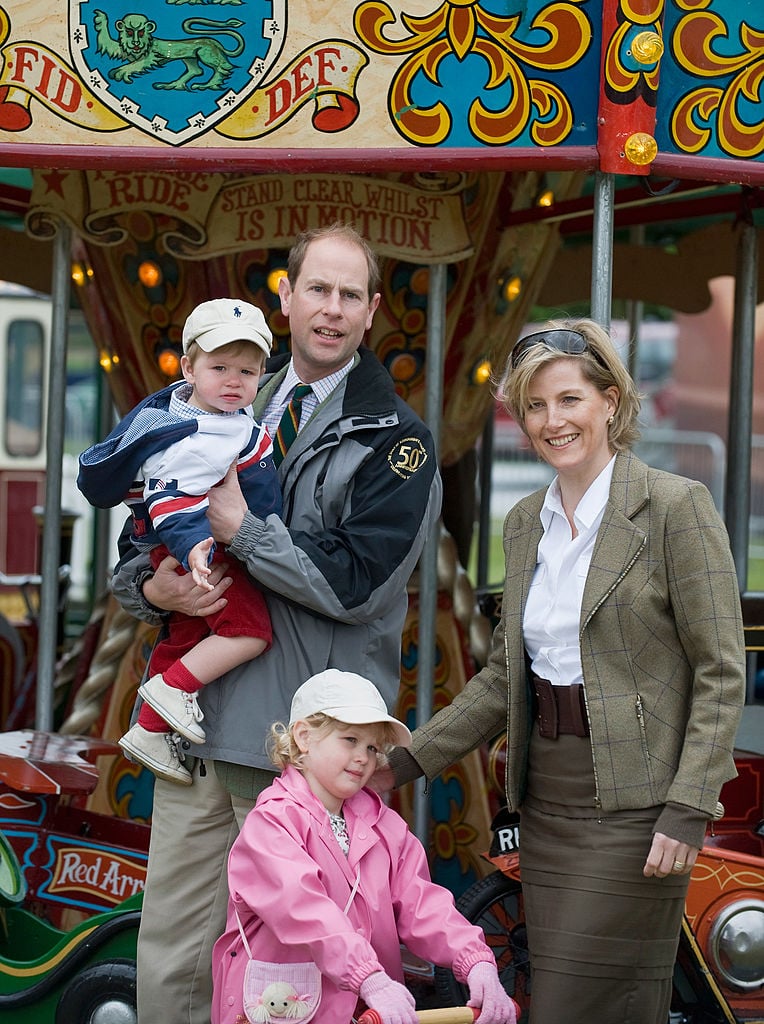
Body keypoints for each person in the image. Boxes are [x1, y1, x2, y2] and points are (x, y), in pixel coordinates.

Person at [110, 223, 443, 1024]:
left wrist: (240, 533)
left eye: (350, 295)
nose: (331, 310)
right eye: (317, 290)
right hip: (199, 730)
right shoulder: (203, 405)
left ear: (371, 315)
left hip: (303, 752)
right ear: (286, 299)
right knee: (172, 958)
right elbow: (134, 543)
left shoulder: (398, 443)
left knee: (293, 977)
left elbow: (358, 584)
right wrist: (154, 590)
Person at [377, 318, 746, 1024]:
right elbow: (501, 679)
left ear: (610, 401)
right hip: (547, 803)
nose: (553, 421)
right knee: (558, 1001)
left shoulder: (673, 507)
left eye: (570, 399)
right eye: (535, 405)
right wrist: (402, 763)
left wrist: (688, 806)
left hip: (638, 808)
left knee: (584, 1005)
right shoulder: (524, 524)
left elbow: (722, 671)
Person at [211, 669, 516, 1024]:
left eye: (372, 747)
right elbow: (303, 908)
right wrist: (368, 976)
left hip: (368, 1008)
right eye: (350, 739)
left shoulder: (385, 825)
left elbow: (423, 903)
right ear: (304, 736)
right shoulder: (272, 821)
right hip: (288, 1007)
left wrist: (475, 960)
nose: (363, 757)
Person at [78, 299, 281, 785]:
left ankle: (149, 729)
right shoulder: (195, 435)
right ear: (188, 368)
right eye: (220, 368)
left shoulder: (216, 414)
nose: (234, 381)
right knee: (250, 631)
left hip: (200, 544)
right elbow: (168, 498)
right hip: (202, 547)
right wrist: (193, 547)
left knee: (187, 634)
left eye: (248, 371)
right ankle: (172, 690)